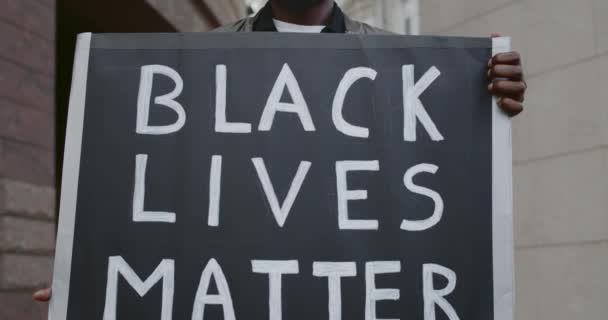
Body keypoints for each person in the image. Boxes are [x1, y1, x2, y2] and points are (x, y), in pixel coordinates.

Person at [33, 0, 526, 303]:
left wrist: (480, 96)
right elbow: (166, 204)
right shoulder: (193, 66)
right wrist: (93, 289)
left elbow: (437, 198)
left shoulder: (404, 68)